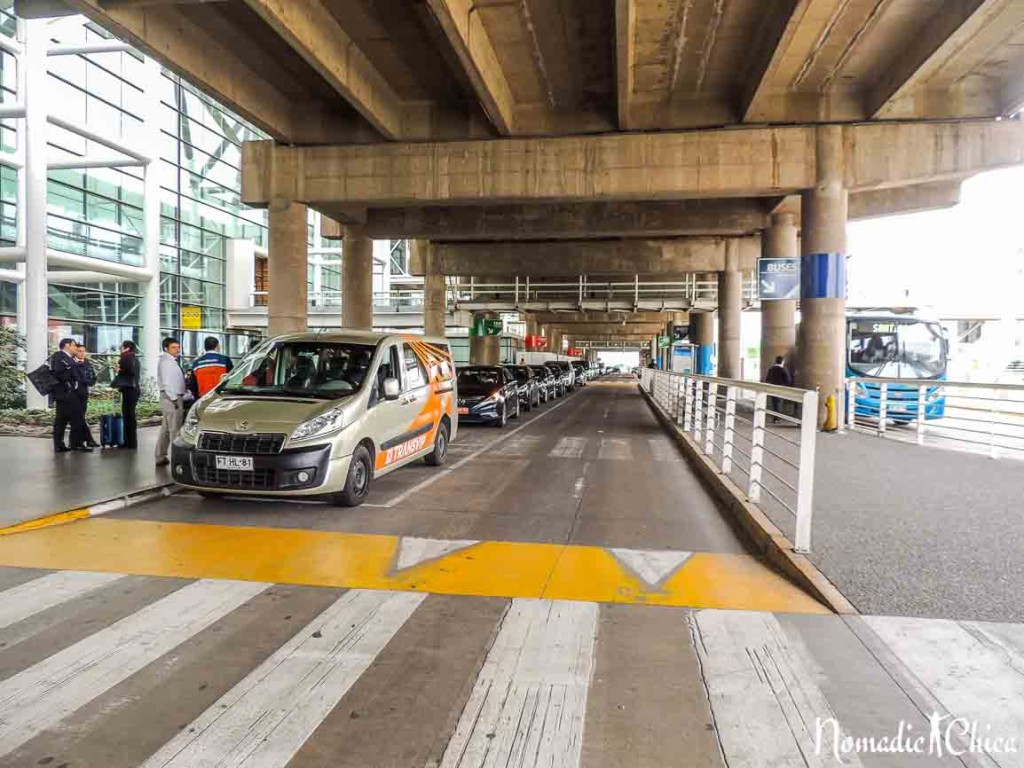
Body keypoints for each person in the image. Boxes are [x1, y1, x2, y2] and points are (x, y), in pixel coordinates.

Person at [155, 337, 187, 467]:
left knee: (166, 429)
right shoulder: (166, 362)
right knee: (174, 429)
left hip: (171, 396)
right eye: (174, 347)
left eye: (178, 347)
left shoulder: (170, 361)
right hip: (171, 397)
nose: (177, 349)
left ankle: (160, 456)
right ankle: (177, 458)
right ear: (166, 349)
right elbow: (167, 383)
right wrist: (174, 399)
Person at [48, 338, 84, 453]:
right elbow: (59, 373)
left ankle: (72, 443)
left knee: (74, 418)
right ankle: (61, 444)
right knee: (62, 420)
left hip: (70, 393)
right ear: (67, 345)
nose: (76, 348)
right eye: (74, 345)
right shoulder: (58, 356)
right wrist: (70, 381)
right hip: (64, 394)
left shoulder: (69, 358)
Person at [113, 340, 141, 449]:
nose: (120, 349)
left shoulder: (126, 357)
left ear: (127, 348)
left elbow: (129, 372)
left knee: (128, 416)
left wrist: (119, 370)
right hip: (134, 389)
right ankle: (131, 442)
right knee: (130, 416)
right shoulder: (135, 358)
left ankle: (129, 442)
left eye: (121, 347)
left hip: (129, 389)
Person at [71, 343, 98, 449]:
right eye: (79, 351)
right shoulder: (72, 363)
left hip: (84, 394)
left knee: (81, 418)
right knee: (78, 418)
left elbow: (92, 378)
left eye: (83, 351)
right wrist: (83, 380)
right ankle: (86, 440)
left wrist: (86, 381)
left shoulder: (87, 363)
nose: (82, 353)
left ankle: (86, 440)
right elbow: (76, 378)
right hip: (74, 394)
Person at [764, 355, 793, 423]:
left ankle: (775, 417)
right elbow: (788, 380)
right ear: (782, 361)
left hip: (772, 388)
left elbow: (767, 379)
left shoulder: (771, 369)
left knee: (774, 403)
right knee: (779, 403)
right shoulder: (783, 369)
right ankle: (777, 418)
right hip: (780, 388)